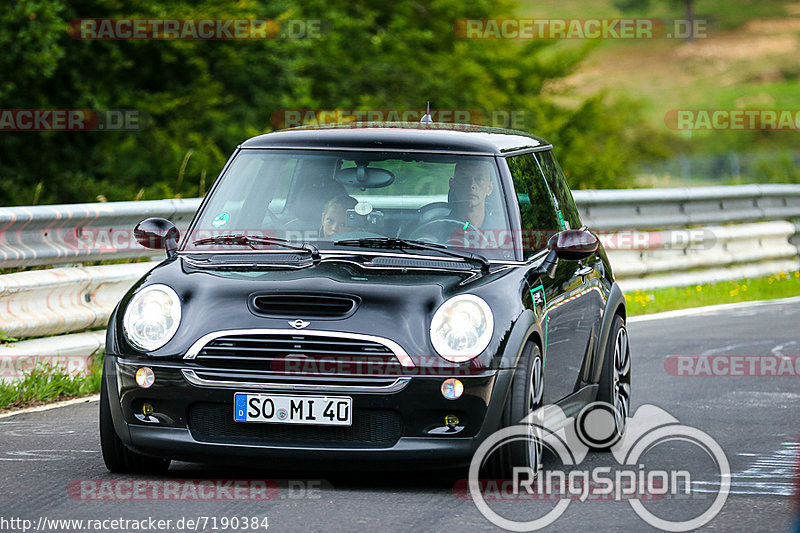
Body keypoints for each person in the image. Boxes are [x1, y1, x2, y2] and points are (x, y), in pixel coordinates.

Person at [448, 159, 495, 228]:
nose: (471, 185)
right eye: (464, 179)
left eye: (479, 179)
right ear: (452, 185)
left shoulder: (505, 228)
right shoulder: (438, 228)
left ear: (490, 188)